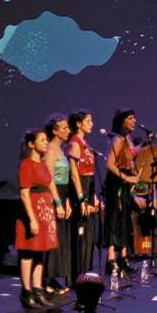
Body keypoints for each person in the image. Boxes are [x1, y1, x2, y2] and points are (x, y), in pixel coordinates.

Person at [16, 129, 65, 309]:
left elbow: (50, 183)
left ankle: (38, 290)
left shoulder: (42, 164)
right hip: (33, 214)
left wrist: (58, 204)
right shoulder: (26, 165)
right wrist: (32, 219)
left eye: (46, 140)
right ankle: (26, 292)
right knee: (28, 252)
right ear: (31, 144)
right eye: (42, 140)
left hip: (45, 213)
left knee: (40, 252)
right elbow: (24, 194)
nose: (46, 143)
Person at [103, 108, 140, 276]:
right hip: (115, 184)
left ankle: (123, 258)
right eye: (130, 118)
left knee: (124, 219)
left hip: (124, 184)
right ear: (121, 121)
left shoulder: (127, 139)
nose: (134, 121)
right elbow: (109, 164)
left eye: (134, 118)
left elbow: (128, 159)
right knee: (114, 220)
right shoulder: (118, 139)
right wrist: (126, 177)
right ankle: (111, 260)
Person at [67, 110, 100, 282]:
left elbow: (91, 173)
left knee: (88, 237)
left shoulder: (85, 144)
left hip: (88, 189)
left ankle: (86, 274)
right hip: (79, 192)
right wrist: (81, 199)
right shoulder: (74, 143)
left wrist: (94, 197)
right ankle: (76, 278)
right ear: (78, 124)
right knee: (80, 237)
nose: (92, 124)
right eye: (88, 121)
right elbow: (74, 174)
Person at [42, 113, 73, 295]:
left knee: (59, 239)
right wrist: (58, 202)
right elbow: (49, 179)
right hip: (52, 197)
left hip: (62, 195)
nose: (68, 131)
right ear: (54, 131)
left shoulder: (61, 150)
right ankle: (46, 279)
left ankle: (53, 277)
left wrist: (66, 201)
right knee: (51, 238)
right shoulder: (50, 150)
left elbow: (64, 179)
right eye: (64, 128)